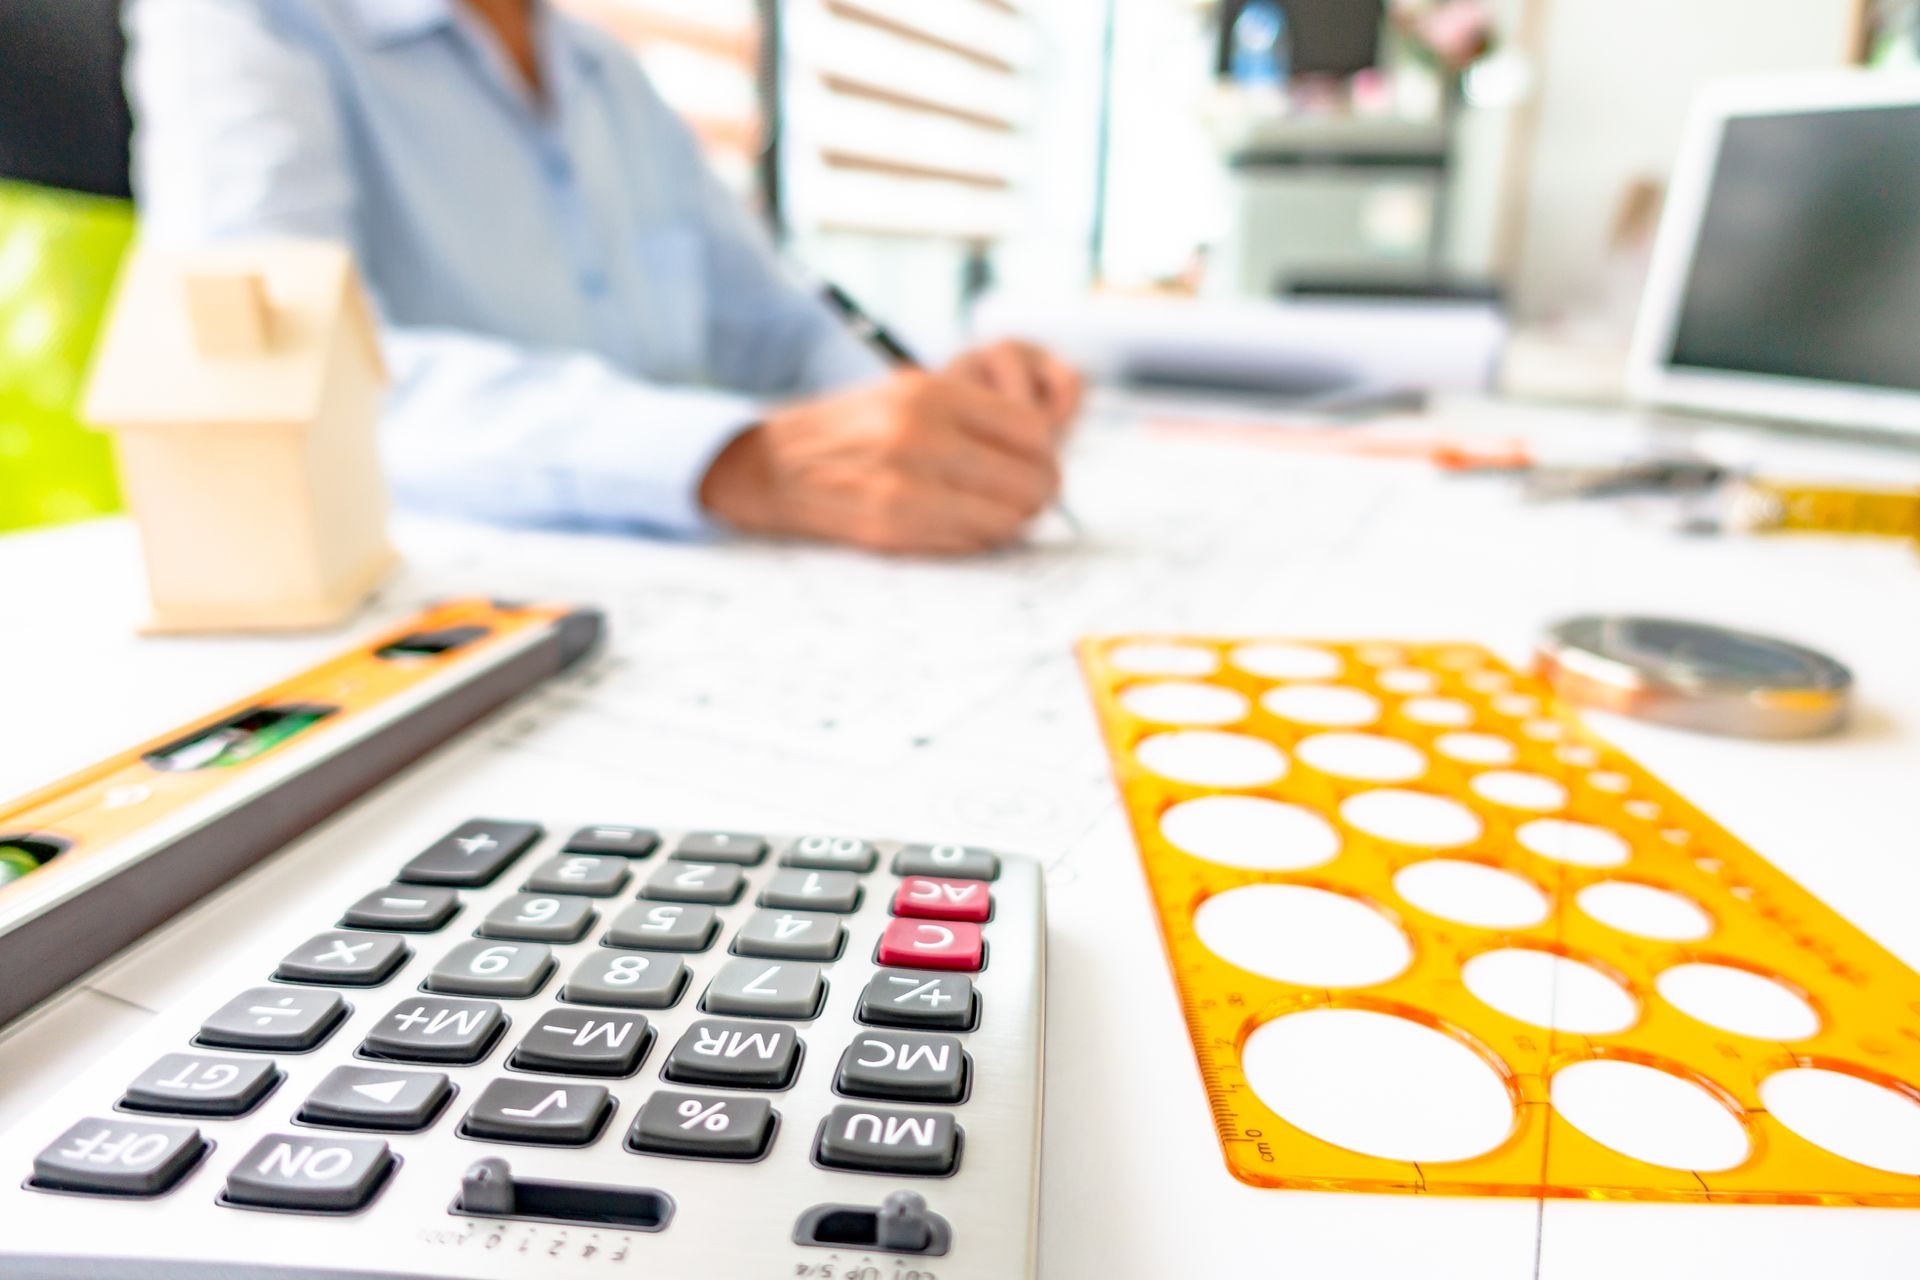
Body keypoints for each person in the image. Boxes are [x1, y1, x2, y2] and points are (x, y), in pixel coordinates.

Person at [125, 0, 1083, 555]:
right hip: (433, 597)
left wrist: (926, 408)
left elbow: (777, 325)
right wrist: (738, 460)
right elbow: (282, 378)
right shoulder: (248, 21)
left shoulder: (607, 73)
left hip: (683, 591)